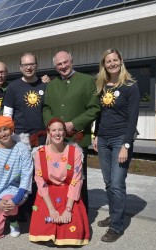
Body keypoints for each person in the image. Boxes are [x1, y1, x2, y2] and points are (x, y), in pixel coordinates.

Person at [42, 50, 101, 212]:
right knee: (58, 179)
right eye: (59, 64)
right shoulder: (52, 85)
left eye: (65, 62)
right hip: (56, 141)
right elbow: (46, 108)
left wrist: (74, 124)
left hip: (77, 138)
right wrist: (53, 126)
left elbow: (94, 108)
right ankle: (61, 214)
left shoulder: (87, 80)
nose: (63, 66)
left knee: (78, 180)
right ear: (55, 67)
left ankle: (81, 217)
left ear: (72, 61)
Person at [92, 48, 140, 242]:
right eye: (107, 61)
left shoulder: (130, 85)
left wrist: (126, 145)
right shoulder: (101, 85)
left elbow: (133, 119)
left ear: (121, 61)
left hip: (121, 138)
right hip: (103, 139)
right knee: (109, 183)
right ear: (104, 65)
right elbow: (99, 113)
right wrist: (96, 135)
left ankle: (117, 226)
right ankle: (114, 214)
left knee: (118, 184)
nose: (111, 63)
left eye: (114, 60)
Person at [29, 118, 89, 246]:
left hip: (69, 193)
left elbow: (76, 180)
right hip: (47, 194)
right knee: (44, 227)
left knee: (74, 231)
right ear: (49, 133)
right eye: (54, 130)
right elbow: (40, 181)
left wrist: (68, 209)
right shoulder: (40, 153)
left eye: (60, 130)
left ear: (65, 132)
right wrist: (51, 209)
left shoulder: (75, 152)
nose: (57, 133)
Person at [3, 52, 47, 219]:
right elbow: (7, 115)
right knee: (20, 174)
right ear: (20, 67)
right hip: (20, 138)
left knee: (39, 174)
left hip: (41, 137)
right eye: (25, 65)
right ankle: (20, 210)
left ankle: (36, 207)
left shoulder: (45, 85)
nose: (29, 67)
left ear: (36, 65)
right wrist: (10, 138)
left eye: (31, 64)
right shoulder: (13, 87)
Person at [0, 116, 33, 238]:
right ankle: (2, 212)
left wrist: (15, 199)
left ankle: (13, 220)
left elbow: (26, 175)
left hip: (12, 192)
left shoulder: (22, 149)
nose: (3, 134)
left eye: (6, 129)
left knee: (9, 201)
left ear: (11, 129)